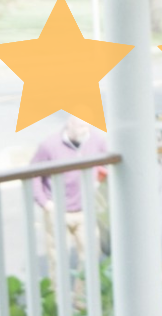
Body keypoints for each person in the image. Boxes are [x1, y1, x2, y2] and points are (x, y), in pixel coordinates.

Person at [30, 114, 112, 289]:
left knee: (91, 254)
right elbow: (34, 174)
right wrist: (44, 203)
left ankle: (82, 297)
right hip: (57, 210)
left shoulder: (96, 140)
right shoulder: (49, 145)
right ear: (70, 124)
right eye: (81, 126)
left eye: (87, 126)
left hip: (84, 209)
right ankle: (58, 297)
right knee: (57, 258)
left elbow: (108, 162)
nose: (85, 130)